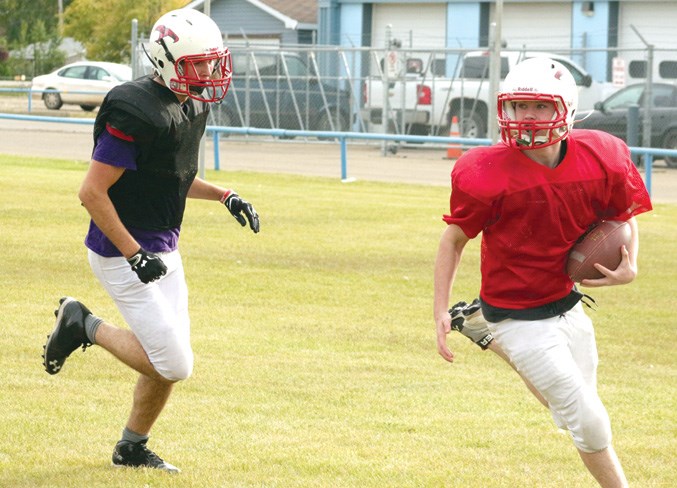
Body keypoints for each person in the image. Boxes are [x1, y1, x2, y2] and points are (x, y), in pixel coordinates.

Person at [41, 9, 259, 473]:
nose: (209, 72)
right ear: (166, 60)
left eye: (212, 61)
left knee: (164, 358)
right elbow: (91, 192)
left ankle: (132, 447)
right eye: (198, 63)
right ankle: (84, 325)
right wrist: (133, 254)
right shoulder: (134, 109)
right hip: (120, 251)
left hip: (162, 247)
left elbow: (173, 177)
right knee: (175, 363)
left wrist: (224, 195)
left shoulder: (191, 103)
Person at [433, 57, 652, 488]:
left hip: (568, 306)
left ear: (566, 108)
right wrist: (439, 309)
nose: (526, 117)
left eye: (539, 106)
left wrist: (631, 265)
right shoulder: (486, 172)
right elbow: (453, 240)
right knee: (589, 423)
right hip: (514, 313)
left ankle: (485, 336)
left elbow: (623, 217)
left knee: (573, 409)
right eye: (518, 107)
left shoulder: (602, 156)